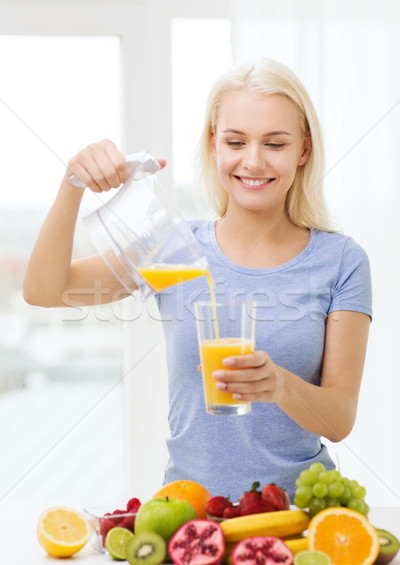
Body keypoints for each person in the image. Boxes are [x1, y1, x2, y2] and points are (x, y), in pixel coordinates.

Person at [23, 58, 372, 502]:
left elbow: (339, 419)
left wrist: (278, 385)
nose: (253, 160)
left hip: (297, 515)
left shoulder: (340, 260)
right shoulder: (174, 249)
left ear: (303, 150)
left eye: (275, 143)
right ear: (214, 145)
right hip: (189, 513)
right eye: (236, 141)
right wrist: (72, 184)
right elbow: (43, 291)